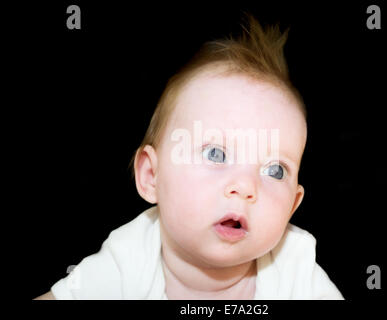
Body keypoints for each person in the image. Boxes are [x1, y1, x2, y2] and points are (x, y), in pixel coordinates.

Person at [34, 14, 344, 300]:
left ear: (292, 206)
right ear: (151, 177)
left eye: (275, 170)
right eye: (216, 153)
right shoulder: (129, 257)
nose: (245, 186)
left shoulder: (295, 268)